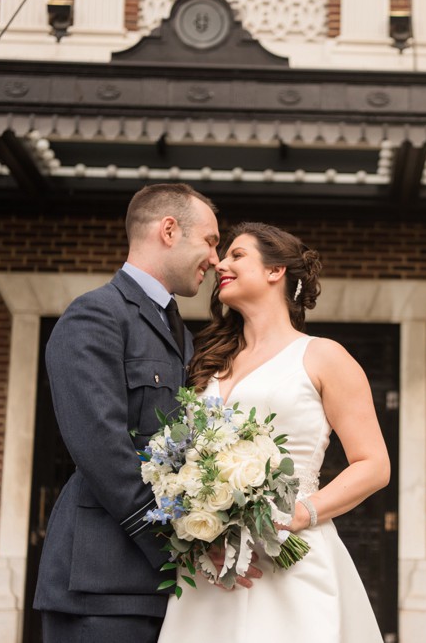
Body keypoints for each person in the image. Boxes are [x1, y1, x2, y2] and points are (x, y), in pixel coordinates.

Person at [33, 183, 259, 643]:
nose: (216, 260)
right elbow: (103, 450)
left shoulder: (185, 337)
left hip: (167, 592)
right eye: (212, 242)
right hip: (101, 584)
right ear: (169, 230)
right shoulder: (95, 317)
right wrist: (183, 547)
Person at [157, 222, 391, 643]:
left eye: (236, 255)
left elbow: (374, 465)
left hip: (290, 556)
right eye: (222, 256)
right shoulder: (208, 363)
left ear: (275, 271)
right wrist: (206, 527)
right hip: (214, 566)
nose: (219, 264)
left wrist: (299, 514)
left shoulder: (323, 356)